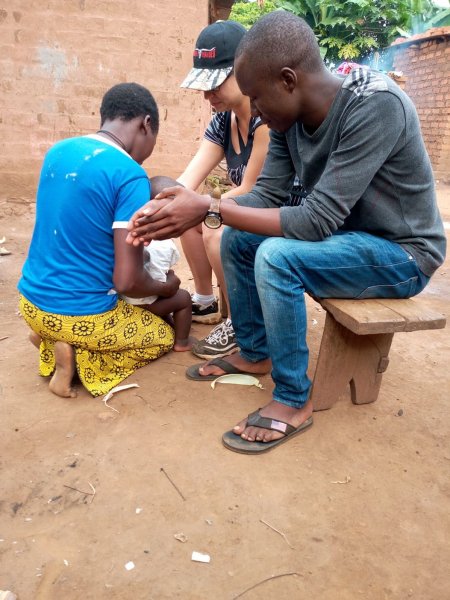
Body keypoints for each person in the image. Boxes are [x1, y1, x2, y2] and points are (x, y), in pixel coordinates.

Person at [127, 12, 446, 454]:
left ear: (289, 80)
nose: (254, 111)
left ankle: (294, 399)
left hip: (401, 254)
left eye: (258, 98)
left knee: (277, 256)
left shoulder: (375, 104)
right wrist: (196, 207)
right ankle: (256, 352)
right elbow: (269, 196)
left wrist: (213, 206)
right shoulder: (287, 120)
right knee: (239, 240)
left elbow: (315, 219)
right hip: (344, 243)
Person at [18, 83, 184, 399]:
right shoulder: (129, 174)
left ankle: (48, 340)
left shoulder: (59, 151)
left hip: (30, 304)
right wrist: (166, 288)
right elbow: (126, 281)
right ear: (146, 125)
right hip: (81, 317)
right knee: (161, 337)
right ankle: (74, 361)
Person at [177, 19, 270, 359]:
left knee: (215, 231)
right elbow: (189, 178)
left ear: (244, 72)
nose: (206, 96)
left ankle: (238, 320)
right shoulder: (223, 120)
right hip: (243, 206)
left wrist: (197, 204)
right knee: (186, 216)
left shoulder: (266, 121)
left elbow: (250, 189)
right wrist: (162, 203)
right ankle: (205, 300)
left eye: (215, 84)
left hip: (272, 212)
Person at [121, 175, 195, 352]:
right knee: (183, 298)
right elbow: (165, 275)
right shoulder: (165, 245)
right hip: (148, 305)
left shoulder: (126, 235)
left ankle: (168, 327)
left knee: (164, 289)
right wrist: (170, 278)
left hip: (122, 305)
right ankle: (182, 342)